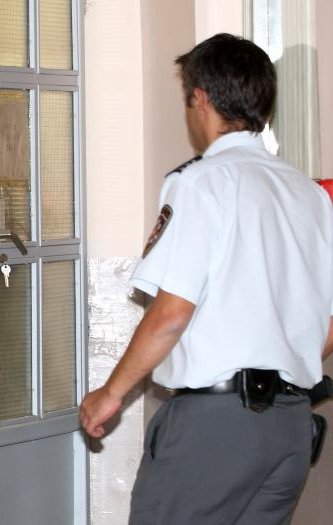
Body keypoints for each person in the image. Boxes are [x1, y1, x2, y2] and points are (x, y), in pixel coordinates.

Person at [79, 33, 333, 524]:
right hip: (290, 428)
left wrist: (110, 394)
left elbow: (172, 314)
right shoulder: (310, 196)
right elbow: (327, 324)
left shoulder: (200, 182)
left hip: (216, 428)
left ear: (201, 99)